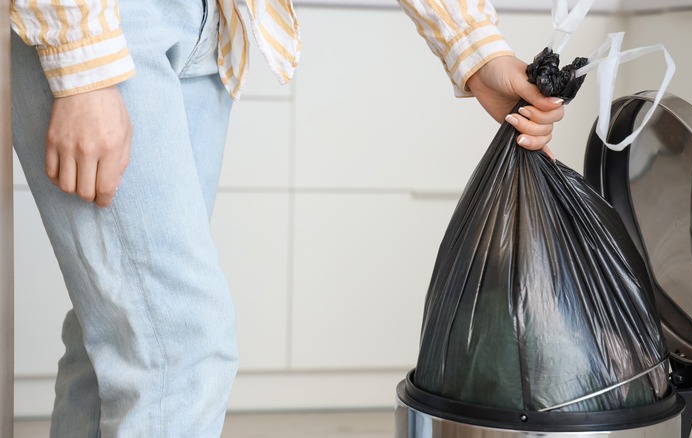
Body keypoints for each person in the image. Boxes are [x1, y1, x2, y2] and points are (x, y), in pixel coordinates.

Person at [10, 0, 565, 436]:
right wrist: (81, 59)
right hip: (108, 19)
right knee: (176, 343)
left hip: (216, 27)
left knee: (124, 334)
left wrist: (477, 50)